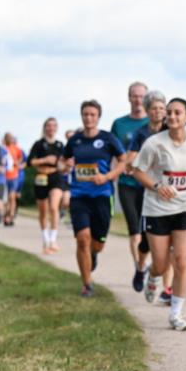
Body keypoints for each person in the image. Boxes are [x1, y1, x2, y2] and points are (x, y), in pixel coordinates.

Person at [132, 98, 186, 330]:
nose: (172, 116)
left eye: (177, 113)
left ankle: (176, 314)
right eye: (169, 113)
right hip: (157, 209)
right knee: (161, 264)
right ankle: (153, 275)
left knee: (181, 260)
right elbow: (137, 171)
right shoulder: (154, 143)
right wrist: (158, 186)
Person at [63, 101, 126, 297]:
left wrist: (107, 177)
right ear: (81, 116)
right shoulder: (75, 140)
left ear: (98, 117)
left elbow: (123, 161)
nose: (88, 118)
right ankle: (87, 284)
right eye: (85, 114)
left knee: (97, 243)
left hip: (102, 196)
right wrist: (66, 164)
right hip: (79, 196)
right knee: (82, 239)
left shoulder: (108, 139)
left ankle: (94, 254)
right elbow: (64, 160)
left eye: (92, 114)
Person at [127, 91, 174, 300]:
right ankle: (140, 267)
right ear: (147, 111)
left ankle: (167, 288)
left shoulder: (171, 130)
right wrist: (133, 164)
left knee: (171, 240)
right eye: (154, 108)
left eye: (162, 108)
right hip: (146, 191)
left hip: (169, 191)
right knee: (146, 240)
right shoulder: (141, 134)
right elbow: (131, 159)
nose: (159, 112)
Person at [111, 81, 151, 291]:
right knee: (134, 229)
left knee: (149, 231)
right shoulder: (119, 124)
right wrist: (115, 172)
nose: (138, 100)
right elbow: (113, 152)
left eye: (141, 96)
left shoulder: (154, 123)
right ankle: (139, 267)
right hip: (127, 184)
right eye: (134, 96)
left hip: (150, 185)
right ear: (129, 98)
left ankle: (145, 263)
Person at [29, 117, 66, 254]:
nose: (51, 128)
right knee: (43, 211)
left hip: (55, 177)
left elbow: (63, 162)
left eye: (53, 126)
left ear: (56, 128)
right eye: (48, 126)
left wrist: (64, 166)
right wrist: (45, 160)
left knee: (54, 206)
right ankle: (45, 239)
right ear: (45, 128)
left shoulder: (60, 145)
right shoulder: (38, 144)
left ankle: (53, 239)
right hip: (41, 177)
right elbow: (30, 162)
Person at [3, 132, 27, 226]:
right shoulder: (2, 149)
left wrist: (18, 164)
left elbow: (23, 159)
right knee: (6, 199)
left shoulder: (16, 148)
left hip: (14, 176)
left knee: (12, 197)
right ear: (5, 139)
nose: (9, 139)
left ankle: (11, 216)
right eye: (7, 137)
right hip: (3, 177)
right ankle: (6, 215)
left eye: (11, 137)